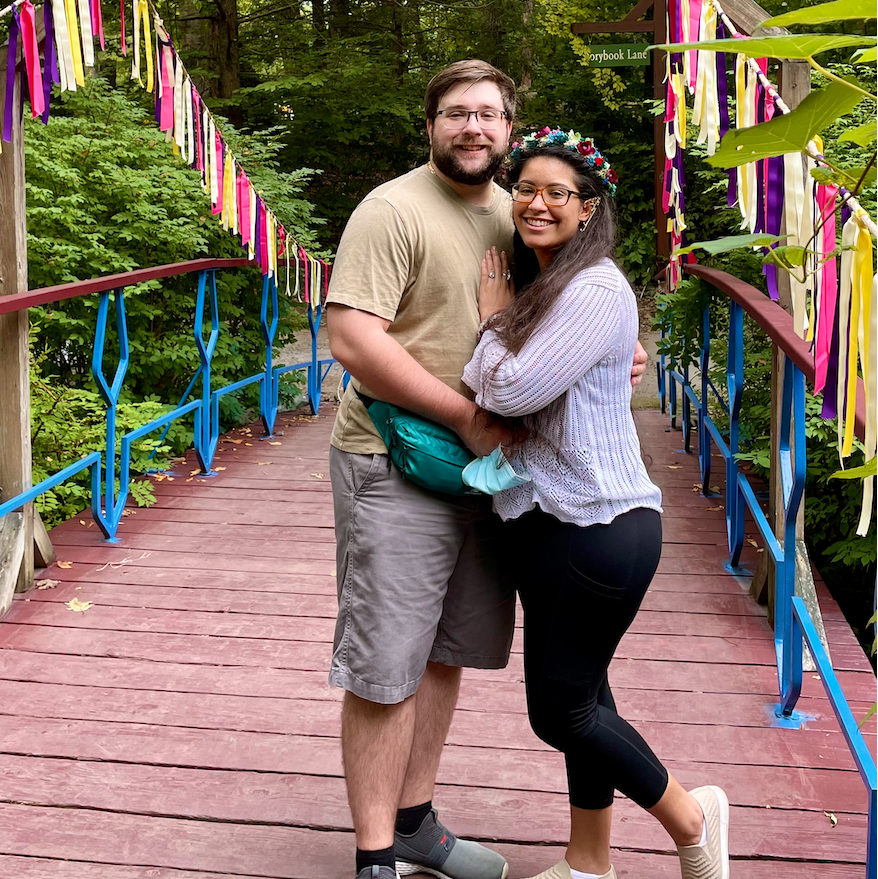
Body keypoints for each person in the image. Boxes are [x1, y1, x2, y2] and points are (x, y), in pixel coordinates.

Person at [326, 61, 648, 879]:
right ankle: (373, 857)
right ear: (430, 124)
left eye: (488, 115)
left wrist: (618, 349)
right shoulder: (392, 210)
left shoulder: (519, 211)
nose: (472, 127)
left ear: (508, 130)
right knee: (386, 661)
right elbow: (354, 341)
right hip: (398, 462)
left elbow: (571, 306)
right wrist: (471, 418)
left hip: (493, 479)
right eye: (455, 113)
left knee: (445, 652)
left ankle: (415, 822)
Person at [462, 128, 730, 879]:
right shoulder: (547, 285)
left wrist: (491, 317)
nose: (537, 204)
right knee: (588, 695)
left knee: (560, 711)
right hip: (549, 523)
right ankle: (588, 865)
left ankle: (692, 816)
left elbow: (508, 387)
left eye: (558, 193)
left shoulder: (595, 286)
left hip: (603, 525)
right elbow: (506, 381)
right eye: (526, 189)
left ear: (588, 209)